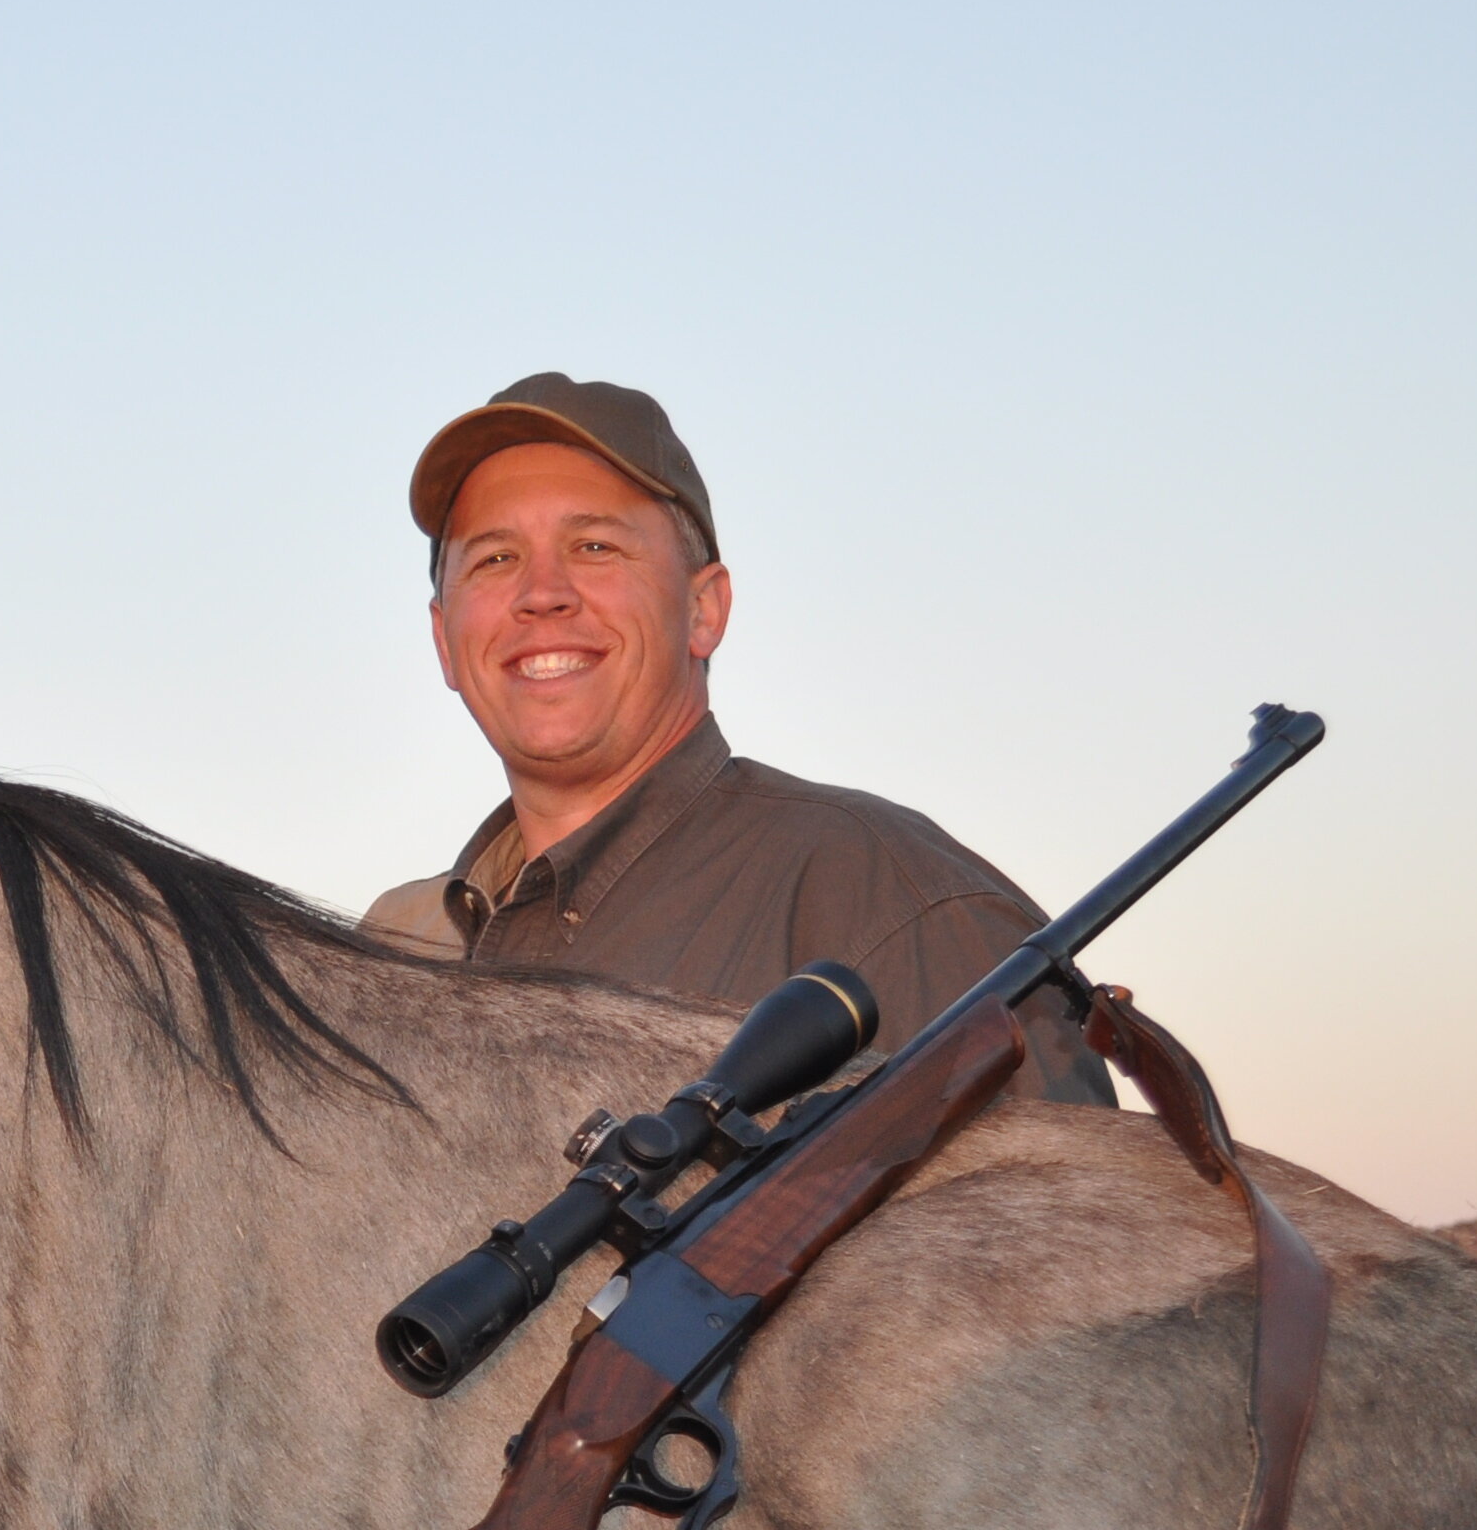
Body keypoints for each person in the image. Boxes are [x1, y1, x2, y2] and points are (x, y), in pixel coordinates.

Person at [362, 373, 1111, 1104]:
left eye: (594, 547)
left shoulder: (893, 902)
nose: (542, 593)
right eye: (496, 559)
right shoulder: (391, 954)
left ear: (703, 609)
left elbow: (1065, 1226)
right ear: (444, 641)